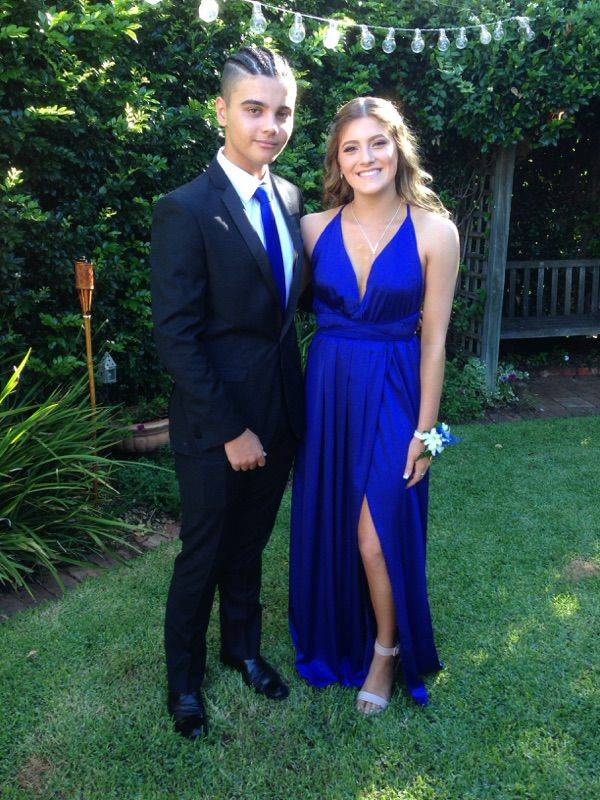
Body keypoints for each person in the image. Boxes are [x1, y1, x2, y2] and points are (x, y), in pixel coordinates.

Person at [151, 46, 305, 740]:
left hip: (281, 413)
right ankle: (183, 680)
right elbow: (177, 336)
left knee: (250, 547)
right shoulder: (185, 209)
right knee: (205, 552)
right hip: (218, 425)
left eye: (283, 113)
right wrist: (232, 430)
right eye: (255, 109)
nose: (271, 125)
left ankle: (241, 648)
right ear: (222, 111)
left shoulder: (291, 198)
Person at [290, 97, 459, 714]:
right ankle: (339, 637)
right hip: (329, 391)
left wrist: (426, 431)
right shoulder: (311, 228)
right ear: (338, 160)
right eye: (352, 147)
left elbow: (436, 339)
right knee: (333, 521)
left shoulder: (436, 231)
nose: (367, 157)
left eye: (378, 143)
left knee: (375, 532)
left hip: (395, 390)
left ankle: (387, 651)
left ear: (398, 147)